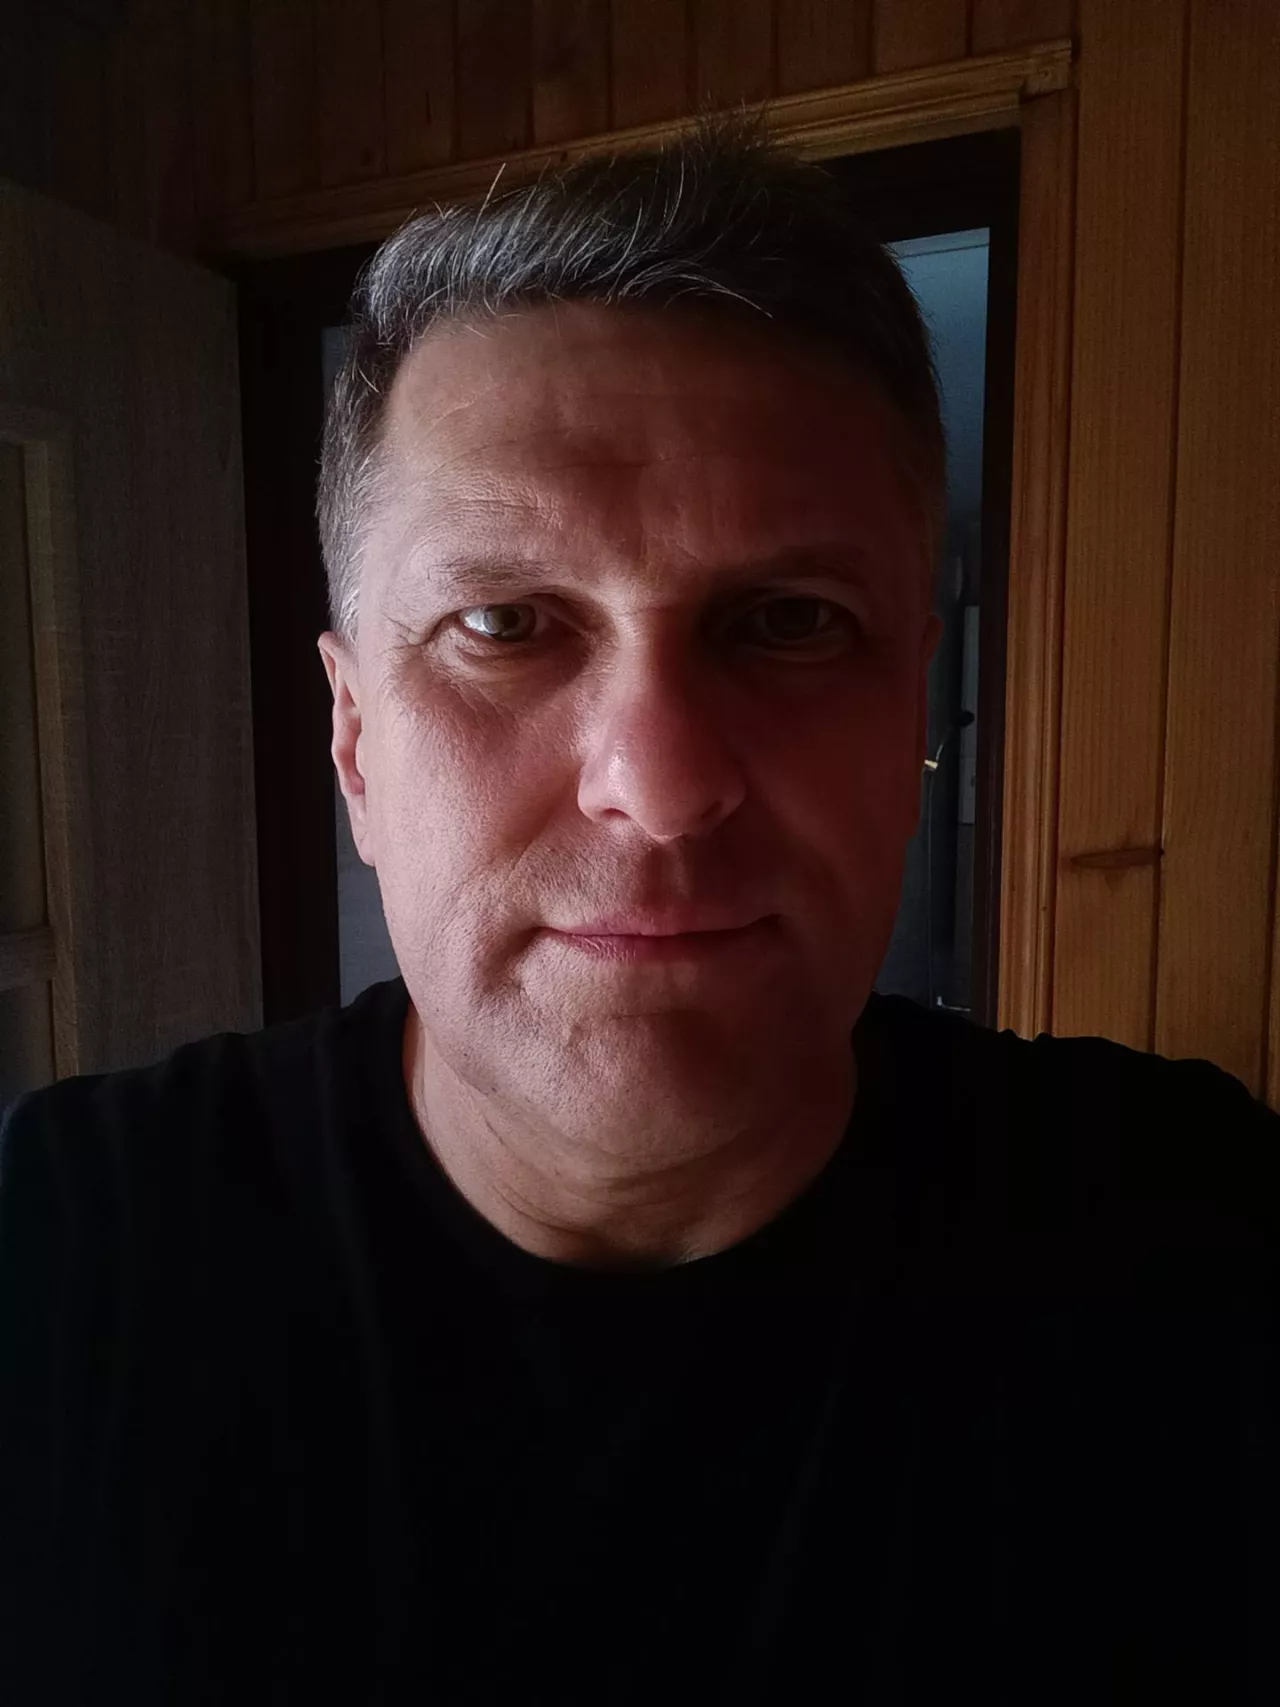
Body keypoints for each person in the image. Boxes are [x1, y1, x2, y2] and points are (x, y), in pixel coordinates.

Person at [2, 122, 1277, 1706]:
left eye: (790, 621)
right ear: (353, 744)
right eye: (504, 621)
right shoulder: (62, 1257)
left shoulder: (1201, 1245)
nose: (659, 786)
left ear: (915, 715)